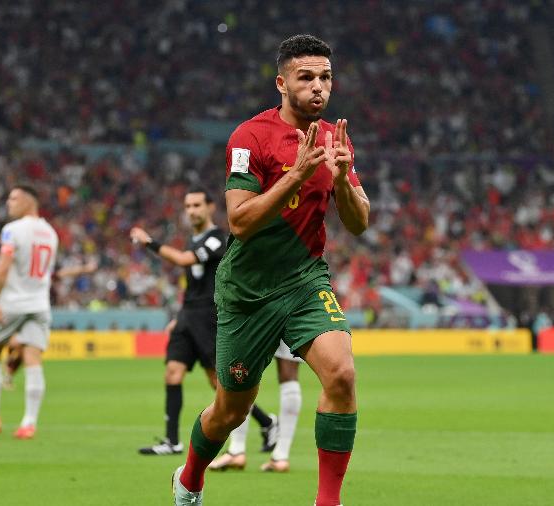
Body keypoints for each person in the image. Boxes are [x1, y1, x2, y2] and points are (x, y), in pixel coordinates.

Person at [172, 34, 370, 506]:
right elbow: (238, 222)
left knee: (341, 375)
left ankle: (328, 501)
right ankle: (190, 477)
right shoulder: (250, 137)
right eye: (306, 78)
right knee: (231, 411)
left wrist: (342, 181)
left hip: (305, 281)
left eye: (325, 77)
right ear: (282, 83)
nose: (318, 87)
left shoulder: (333, 138)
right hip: (248, 292)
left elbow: (359, 222)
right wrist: (296, 177)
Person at [131, 189, 278, 456]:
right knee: (172, 373)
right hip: (188, 316)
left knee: (220, 384)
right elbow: (192, 284)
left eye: (197, 205)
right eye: (187, 205)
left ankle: (267, 422)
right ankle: (172, 440)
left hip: (209, 317)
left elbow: (184, 260)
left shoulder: (217, 239)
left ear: (210, 207)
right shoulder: (194, 239)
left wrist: (149, 242)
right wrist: (179, 317)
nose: (191, 210)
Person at [0, 185, 59, 440]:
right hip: (40, 302)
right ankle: (29, 423)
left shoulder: (13, 230)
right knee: (32, 359)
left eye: (14, 198)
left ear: (29, 201)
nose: (9, 202)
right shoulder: (51, 233)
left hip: (13, 301)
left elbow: (2, 268)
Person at [0, 260, 98, 389]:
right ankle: (4, 373)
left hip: (28, 317)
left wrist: (85, 268)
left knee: (23, 351)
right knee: (9, 348)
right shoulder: (14, 276)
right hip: (10, 316)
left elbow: (63, 273)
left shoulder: (39, 277)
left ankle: (8, 374)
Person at [207, 342, 303, 472]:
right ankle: (281, 456)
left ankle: (236, 450)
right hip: (291, 320)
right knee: (289, 375)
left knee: (241, 367)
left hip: (257, 321)